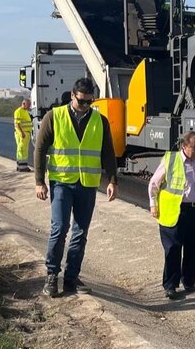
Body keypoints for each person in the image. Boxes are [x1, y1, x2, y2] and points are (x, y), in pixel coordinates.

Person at [33, 78, 118, 297]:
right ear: (73, 95)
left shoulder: (100, 120)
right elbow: (40, 149)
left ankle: (71, 278)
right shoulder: (55, 116)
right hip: (62, 181)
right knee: (59, 228)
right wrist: (39, 181)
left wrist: (112, 180)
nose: (86, 106)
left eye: (90, 102)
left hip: (87, 184)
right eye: (82, 101)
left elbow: (108, 152)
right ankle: (52, 275)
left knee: (80, 233)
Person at [148, 131, 195, 299]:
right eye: (194, 146)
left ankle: (189, 281)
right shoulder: (171, 160)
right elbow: (154, 183)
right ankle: (170, 285)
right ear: (184, 146)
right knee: (173, 248)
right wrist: (153, 204)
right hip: (177, 211)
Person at [14, 98, 33, 172]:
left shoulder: (25, 111)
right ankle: (22, 167)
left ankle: (21, 166)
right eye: (28, 105)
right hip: (22, 134)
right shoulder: (19, 111)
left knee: (23, 150)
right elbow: (17, 124)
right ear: (24, 104)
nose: (29, 106)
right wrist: (21, 133)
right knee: (22, 150)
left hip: (26, 133)